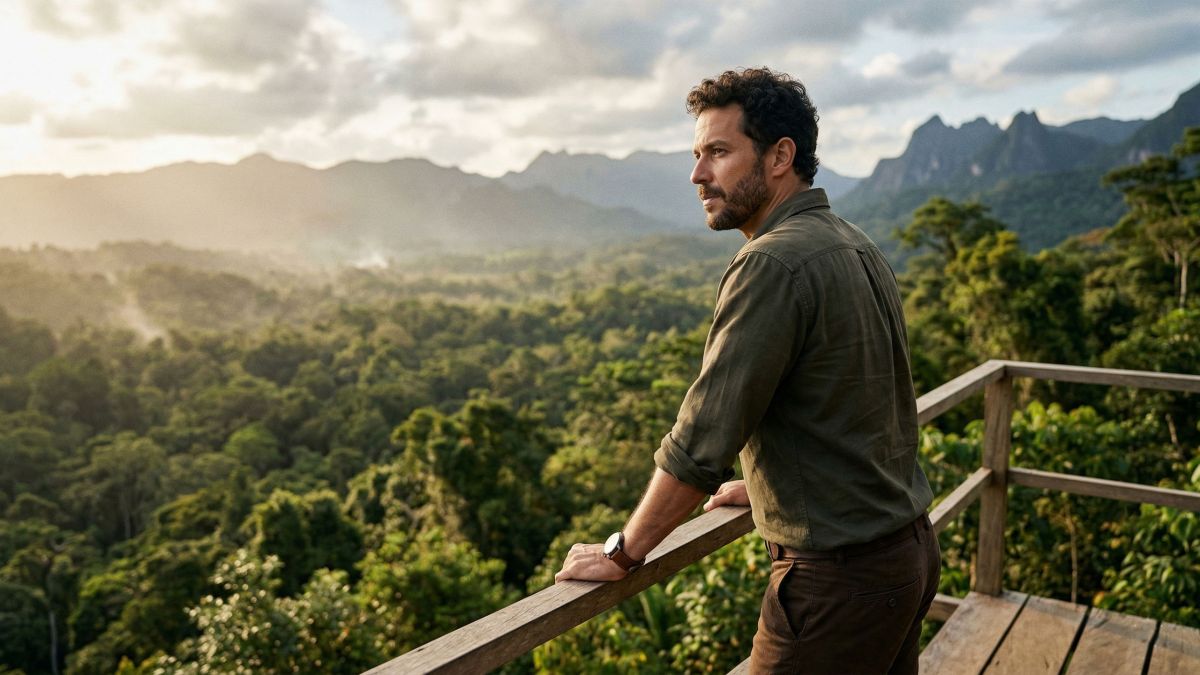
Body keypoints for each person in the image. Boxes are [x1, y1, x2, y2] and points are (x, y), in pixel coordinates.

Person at [554, 67, 939, 674]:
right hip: (907, 553)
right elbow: (851, 404)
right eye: (697, 155)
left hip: (839, 582)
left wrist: (623, 552)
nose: (697, 174)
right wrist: (767, 483)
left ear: (780, 156)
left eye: (718, 152)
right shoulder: (854, 243)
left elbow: (702, 437)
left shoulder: (771, 263)